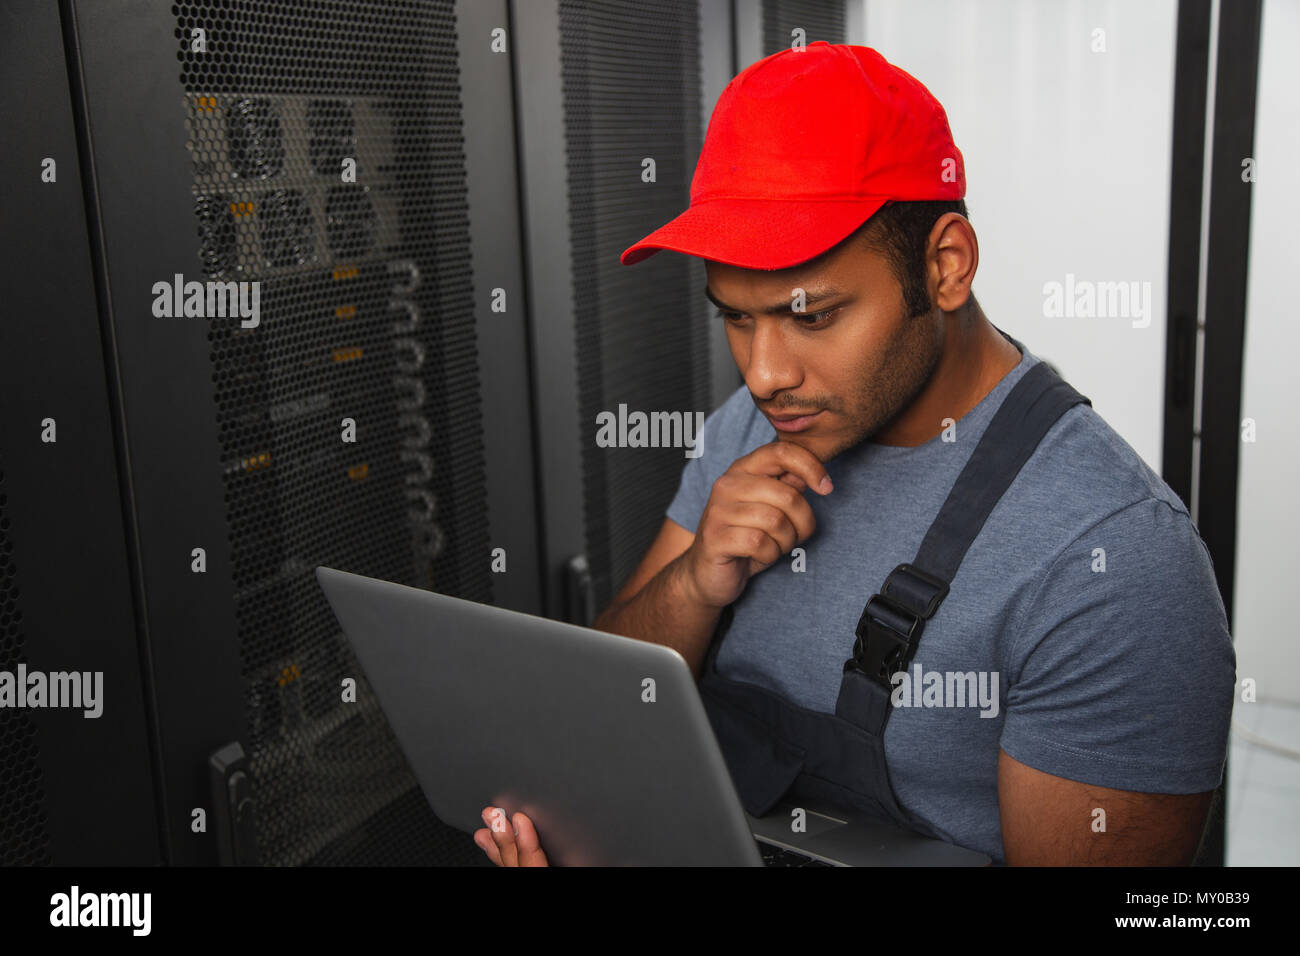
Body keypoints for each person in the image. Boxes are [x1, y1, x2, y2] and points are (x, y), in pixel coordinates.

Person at [474, 41, 1235, 867]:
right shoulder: (753, 426)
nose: (764, 376)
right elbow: (599, 723)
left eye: (812, 315)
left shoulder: (1113, 557)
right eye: (735, 317)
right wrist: (693, 583)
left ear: (945, 266)